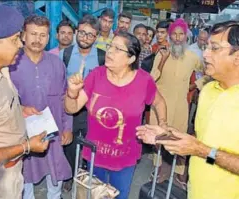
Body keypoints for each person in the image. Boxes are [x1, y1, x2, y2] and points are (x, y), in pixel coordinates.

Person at [137, 20, 239, 199]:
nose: (205, 54)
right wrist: (167, 133)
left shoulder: (193, 61)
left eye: (214, 48)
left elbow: (203, 149)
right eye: (206, 47)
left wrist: (201, 150)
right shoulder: (208, 92)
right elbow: (203, 142)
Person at [64, 31, 167, 199]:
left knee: (119, 196)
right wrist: (72, 93)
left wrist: (163, 124)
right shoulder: (96, 75)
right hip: (94, 154)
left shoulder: (143, 81)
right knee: (93, 195)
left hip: (125, 156)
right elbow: (71, 109)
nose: (110, 51)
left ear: (131, 59)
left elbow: (159, 102)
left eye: (117, 49)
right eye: (110, 46)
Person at [0, 5, 49, 199]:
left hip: (9, 173)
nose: (21, 44)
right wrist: (27, 147)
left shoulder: (0, 68)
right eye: (15, 39)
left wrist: (19, 110)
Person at [10, 15, 73, 199]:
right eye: (33, 34)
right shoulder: (11, 62)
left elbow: (65, 97)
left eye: (42, 35)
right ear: (23, 35)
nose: (37, 39)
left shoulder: (57, 64)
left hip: (53, 130)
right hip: (21, 131)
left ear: (48, 37)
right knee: (24, 172)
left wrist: (67, 127)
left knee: (56, 170)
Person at [150, 18, 207, 185]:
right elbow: (152, 78)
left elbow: (208, 74)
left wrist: (194, 85)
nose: (177, 37)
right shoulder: (161, 53)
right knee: (158, 138)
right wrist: (162, 60)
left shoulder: (192, 56)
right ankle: (158, 168)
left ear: (186, 36)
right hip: (159, 104)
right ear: (169, 35)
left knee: (178, 137)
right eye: (174, 34)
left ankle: (179, 171)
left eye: (181, 34)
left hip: (181, 105)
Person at [59, 14, 105, 192]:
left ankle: (87, 177)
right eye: (82, 33)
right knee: (69, 144)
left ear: (96, 37)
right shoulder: (66, 54)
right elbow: (60, 82)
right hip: (71, 108)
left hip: (93, 110)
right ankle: (69, 175)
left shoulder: (103, 56)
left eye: (90, 35)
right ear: (77, 32)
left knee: (91, 144)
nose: (85, 38)